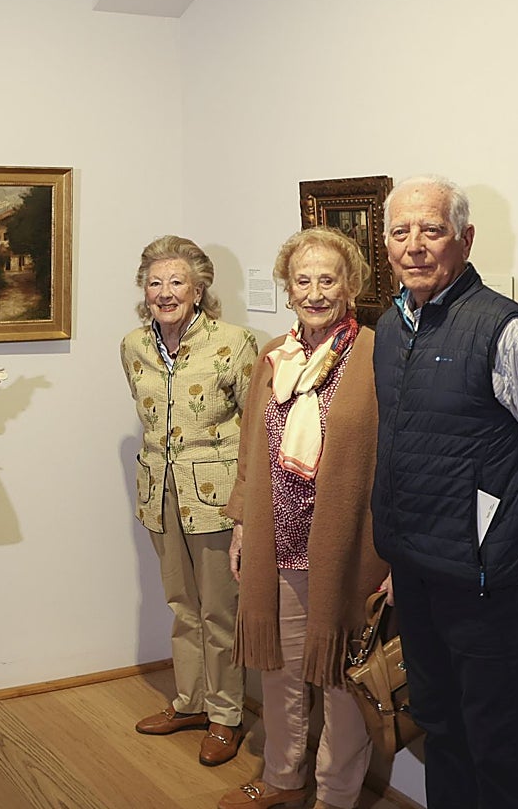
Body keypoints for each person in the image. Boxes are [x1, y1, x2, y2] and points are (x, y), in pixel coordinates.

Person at [372, 175, 518, 809]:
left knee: (497, 742)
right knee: (439, 727)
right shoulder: (391, 329)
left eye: (432, 230)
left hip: (489, 585)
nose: (414, 246)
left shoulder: (509, 331)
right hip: (416, 574)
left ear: (465, 240)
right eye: (400, 231)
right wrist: (397, 559)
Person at [217, 228, 388, 809]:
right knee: (281, 668)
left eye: (328, 279)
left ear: (351, 286)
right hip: (277, 540)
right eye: (303, 279)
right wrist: (242, 524)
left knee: (341, 678)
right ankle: (283, 776)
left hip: (348, 548)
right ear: (288, 289)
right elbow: (249, 449)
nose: (315, 292)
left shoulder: (375, 353)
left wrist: (396, 554)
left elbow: (394, 459)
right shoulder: (273, 356)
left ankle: (336, 795)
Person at [121, 235, 257, 767]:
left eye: (177, 282)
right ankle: (190, 702)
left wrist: (247, 505)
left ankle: (226, 715)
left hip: (217, 500)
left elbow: (254, 430)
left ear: (199, 290)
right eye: (155, 283)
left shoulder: (236, 342)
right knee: (181, 606)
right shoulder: (133, 346)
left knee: (220, 612)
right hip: (159, 495)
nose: (165, 291)